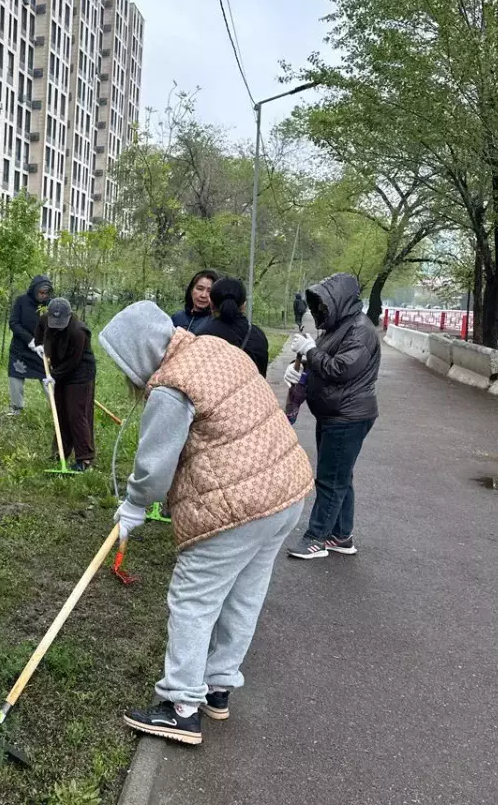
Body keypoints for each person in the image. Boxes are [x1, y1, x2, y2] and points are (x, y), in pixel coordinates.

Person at [98, 301, 313, 745]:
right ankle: (217, 688)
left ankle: (180, 707)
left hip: (239, 505)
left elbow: (155, 466)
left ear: (139, 353)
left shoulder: (172, 385)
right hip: (287, 490)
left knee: (193, 599)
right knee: (244, 594)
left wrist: (135, 505)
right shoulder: (216, 348)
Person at [284, 273, 380, 560]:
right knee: (340, 476)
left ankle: (317, 537)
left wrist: (311, 351)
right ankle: (341, 535)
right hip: (334, 412)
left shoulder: (360, 330)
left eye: (322, 306)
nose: (318, 312)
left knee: (330, 479)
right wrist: (299, 372)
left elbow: (340, 370)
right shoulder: (338, 327)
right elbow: (321, 367)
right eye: (316, 308)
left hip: (347, 415)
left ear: (337, 302)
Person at [34, 297, 97, 470]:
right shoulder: (46, 318)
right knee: (60, 411)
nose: (57, 325)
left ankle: (85, 458)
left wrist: (54, 376)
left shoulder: (79, 332)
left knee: (76, 414)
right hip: (60, 367)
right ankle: (60, 453)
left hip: (80, 373)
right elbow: (40, 330)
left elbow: (73, 361)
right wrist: (39, 345)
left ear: (69, 316)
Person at [197, 277, 270, 377]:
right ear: (244, 305)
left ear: (211, 303)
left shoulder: (203, 336)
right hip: (251, 392)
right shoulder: (259, 335)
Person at [7, 275, 53, 414]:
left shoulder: (50, 305)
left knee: (48, 378)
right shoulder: (21, 301)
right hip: (20, 349)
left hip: (42, 350)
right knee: (15, 376)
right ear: (34, 290)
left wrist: (46, 344)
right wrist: (30, 341)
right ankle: (17, 408)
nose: (43, 296)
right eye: (41, 292)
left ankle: (57, 408)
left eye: (46, 293)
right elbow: (14, 323)